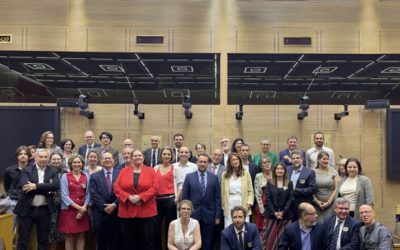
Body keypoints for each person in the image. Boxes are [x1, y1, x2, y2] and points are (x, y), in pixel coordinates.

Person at [14, 148, 60, 250]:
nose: (43, 159)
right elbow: (25, 187)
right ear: (35, 157)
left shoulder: (53, 170)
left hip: (44, 210)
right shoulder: (27, 170)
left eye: (45, 157)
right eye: (40, 156)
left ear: (48, 158)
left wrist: (35, 186)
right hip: (27, 210)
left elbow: (56, 185)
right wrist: (47, 190)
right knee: (22, 240)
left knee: (43, 240)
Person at [114, 149, 158, 250]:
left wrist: (141, 197)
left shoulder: (151, 171)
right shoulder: (123, 171)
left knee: (147, 242)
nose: (137, 157)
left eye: (139, 155)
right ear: (131, 158)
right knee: (128, 242)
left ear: (143, 157)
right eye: (135, 156)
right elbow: (116, 187)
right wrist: (128, 197)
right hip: (127, 211)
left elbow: (155, 188)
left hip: (147, 212)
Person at [182, 154, 221, 250]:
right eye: (200, 162)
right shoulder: (189, 177)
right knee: (192, 242)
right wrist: (185, 214)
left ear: (208, 163)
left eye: (205, 162)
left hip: (209, 215)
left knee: (208, 242)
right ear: (197, 163)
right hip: (193, 215)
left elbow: (217, 198)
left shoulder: (214, 178)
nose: (202, 164)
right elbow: (185, 198)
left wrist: (217, 215)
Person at [58, 155, 91, 250]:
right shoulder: (65, 176)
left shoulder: (86, 176)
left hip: (83, 209)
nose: (77, 164)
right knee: (69, 237)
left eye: (79, 162)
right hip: (69, 210)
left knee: (81, 236)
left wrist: (83, 208)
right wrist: (79, 208)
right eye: (74, 162)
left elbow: (88, 194)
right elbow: (64, 196)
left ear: (82, 164)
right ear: (71, 164)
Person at [89, 152, 121, 250]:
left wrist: (114, 205)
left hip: (116, 213)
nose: (107, 160)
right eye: (105, 158)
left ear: (113, 161)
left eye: (109, 158)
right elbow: (93, 193)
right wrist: (105, 207)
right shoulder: (94, 176)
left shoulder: (120, 174)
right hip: (100, 213)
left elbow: (124, 191)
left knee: (115, 242)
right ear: (101, 161)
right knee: (100, 242)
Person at [263, 162, 294, 250]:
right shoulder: (269, 182)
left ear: (285, 171)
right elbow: (267, 198)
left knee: (285, 238)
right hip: (271, 214)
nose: (279, 170)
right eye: (278, 169)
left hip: (286, 215)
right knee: (271, 237)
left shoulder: (289, 183)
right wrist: (274, 212)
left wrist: (283, 212)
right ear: (274, 171)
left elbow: (290, 198)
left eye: (281, 169)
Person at [153, 147, 178, 250]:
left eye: (168, 154)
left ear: (171, 156)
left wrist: (176, 199)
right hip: (157, 201)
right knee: (156, 229)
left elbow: (179, 184)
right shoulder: (155, 168)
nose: (166, 156)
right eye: (164, 154)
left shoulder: (174, 168)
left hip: (170, 200)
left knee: (170, 229)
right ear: (161, 155)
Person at [4, 146, 31, 235]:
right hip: (12, 202)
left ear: (29, 156)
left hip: (26, 203)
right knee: (8, 230)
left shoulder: (33, 170)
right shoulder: (9, 170)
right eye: (20, 154)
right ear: (17, 156)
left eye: (25, 154)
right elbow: (7, 186)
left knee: (24, 232)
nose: (23, 156)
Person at [221, 153, 254, 228]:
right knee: (229, 228)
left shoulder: (245, 173)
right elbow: (223, 192)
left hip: (243, 204)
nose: (236, 161)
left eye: (237, 159)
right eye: (233, 160)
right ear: (229, 162)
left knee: (243, 228)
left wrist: (247, 206)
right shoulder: (224, 174)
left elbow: (251, 192)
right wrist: (224, 206)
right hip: (229, 204)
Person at [286, 149, 316, 220]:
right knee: (291, 228)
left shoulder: (310, 172)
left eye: (298, 158)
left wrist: (294, 190)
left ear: (302, 159)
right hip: (289, 206)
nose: (296, 160)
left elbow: (312, 189)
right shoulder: (287, 169)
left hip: (303, 206)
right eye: (293, 158)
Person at [207, 149, 226, 250]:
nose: (216, 157)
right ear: (211, 155)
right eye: (215, 155)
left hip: (219, 205)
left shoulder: (226, 170)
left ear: (222, 158)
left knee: (217, 232)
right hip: (206, 205)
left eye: (219, 155)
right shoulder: (205, 167)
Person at [312, 151, 339, 222]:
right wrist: (315, 200)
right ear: (318, 159)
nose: (326, 161)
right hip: (316, 206)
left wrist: (329, 203)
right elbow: (310, 188)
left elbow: (337, 189)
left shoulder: (334, 172)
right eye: (324, 159)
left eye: (327, 159)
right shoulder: (312, 172)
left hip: (330, 206)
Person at [48, 151, 67, 250]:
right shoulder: (46, 172)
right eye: (54, 159)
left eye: (58, 159)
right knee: (50, 231)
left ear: (62, 160)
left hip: (64, 205)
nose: (56, 161)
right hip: (48, 205)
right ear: (50, 160)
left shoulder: (66, 172)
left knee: (61, 231)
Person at [254, 156, 272, 235]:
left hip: (273, 204)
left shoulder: (275, 174)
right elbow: (257, 193)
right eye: (265, 162)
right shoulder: (258, 176)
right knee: (261, 230)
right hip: (262, 204)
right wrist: (261, 208)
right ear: (261, 165)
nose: (267, 164)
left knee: (271, 228)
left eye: (268, 162)